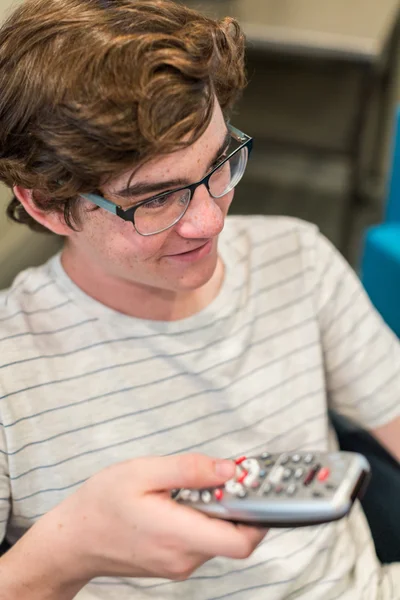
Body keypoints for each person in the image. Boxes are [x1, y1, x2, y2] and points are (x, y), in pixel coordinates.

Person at [0, 0, 399, 598]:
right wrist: (70, 550)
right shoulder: (11, 369)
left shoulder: (296, 257)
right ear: (46, 205)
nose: (210, 221)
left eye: (218, 164)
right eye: (156, 199)